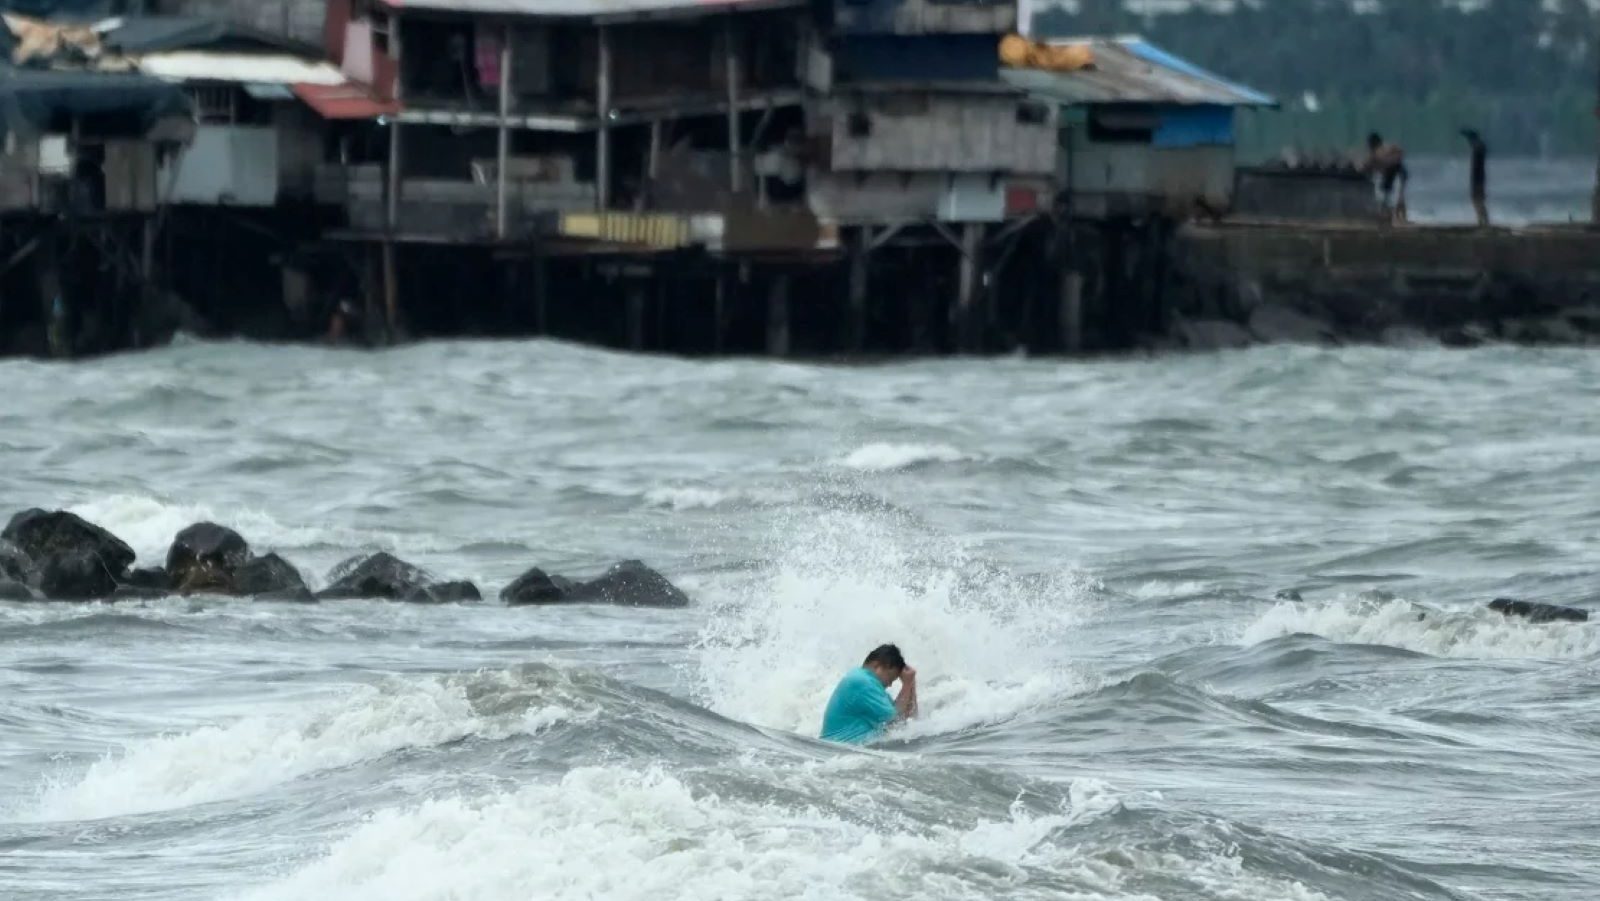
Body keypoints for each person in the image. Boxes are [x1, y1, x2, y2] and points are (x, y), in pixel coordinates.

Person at [820, 644, 918, 744]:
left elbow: (908, 720)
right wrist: (907, 685)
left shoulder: (869, 685)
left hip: (845, 752)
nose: (890, 684)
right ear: (877, 666)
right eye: (890, 678)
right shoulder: (862, 683)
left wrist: (911, 683)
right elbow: (895, 724)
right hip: (839, 751)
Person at [1361, 132, 1409, 223]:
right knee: (1388, 196)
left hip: (1396, 171)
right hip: (1391, 172)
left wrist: (1392, 161)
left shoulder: (1384, 150)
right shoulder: (1376, 153)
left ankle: (1396, 216)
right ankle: (1390, 215)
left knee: (1396, 197)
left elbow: (1400, 152)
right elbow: (1367, 166)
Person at [1461, 128, 1489, 228]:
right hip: (1478, 177)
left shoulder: (1478, 147)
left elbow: (1478, 149)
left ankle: (1483, 221)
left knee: (1477, 199)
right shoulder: (1479, 146)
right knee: (1478, 199)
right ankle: (1482, 221)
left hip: (1477, 177)